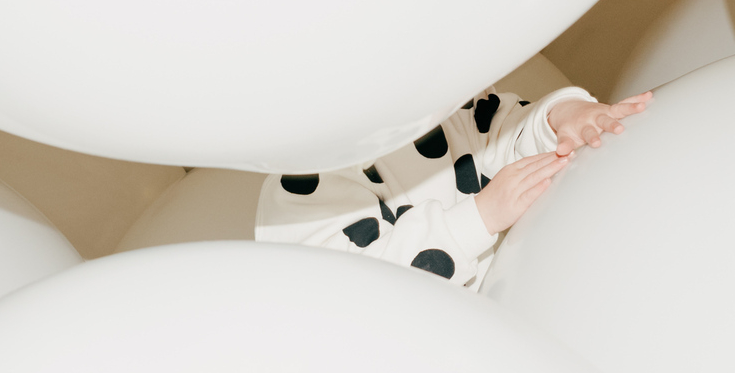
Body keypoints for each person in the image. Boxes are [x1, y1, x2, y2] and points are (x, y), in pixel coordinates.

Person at [255, 83, 652, 287]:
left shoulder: (439, 106)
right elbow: (350, 295)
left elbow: (498, 124)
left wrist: (561, 116)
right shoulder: (302, 184)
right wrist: (477, 219)